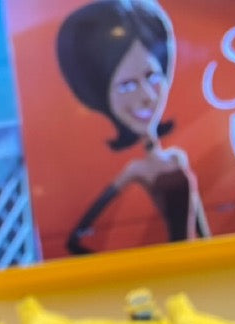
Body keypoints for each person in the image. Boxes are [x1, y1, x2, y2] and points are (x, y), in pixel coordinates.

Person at [56, 0, 208, 254]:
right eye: (127, 85)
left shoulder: (178, 158)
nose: (147, 95)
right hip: (170, 260)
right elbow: (76, 237)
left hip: (198, 260)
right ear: (100, 95)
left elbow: (200, 226)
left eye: (152, 76)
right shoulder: (135, 170)